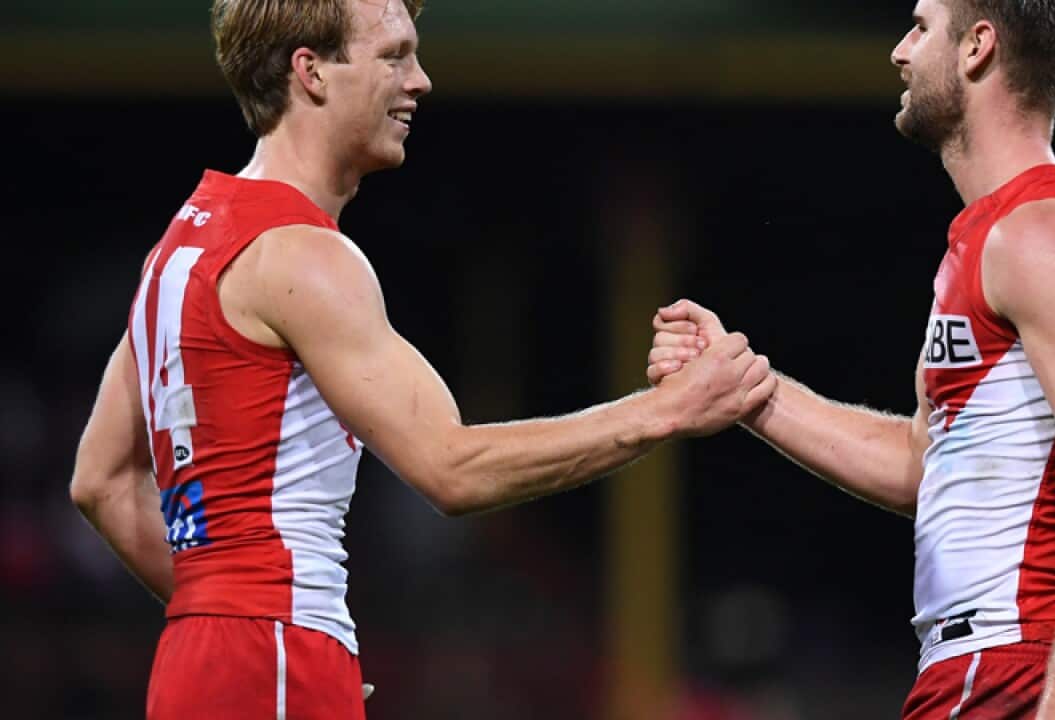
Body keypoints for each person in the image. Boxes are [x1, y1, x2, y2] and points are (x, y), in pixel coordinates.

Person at [67, 1, 777, 718]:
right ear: (311, 73)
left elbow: (99, 481)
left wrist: (244, 619)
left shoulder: (179, 249)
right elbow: (452, 468)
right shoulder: (303, 256)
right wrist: (667, 410)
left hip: (200, 661)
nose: (422, 80)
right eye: (394, 56)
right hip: (267, 655)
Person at [647, 0, 1055, 718]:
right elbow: (925, 464)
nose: (900, 50)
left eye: (922, 27)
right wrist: (748, 389)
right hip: (994, 669)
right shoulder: (999, 237)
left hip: (1021, 670)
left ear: (977, 47)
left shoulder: (1043, 235)